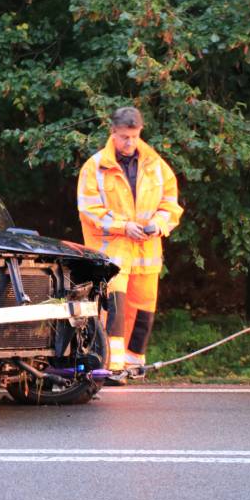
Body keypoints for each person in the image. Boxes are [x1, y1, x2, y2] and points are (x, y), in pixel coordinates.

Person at [77, 107, 183, 382]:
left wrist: (158, 224)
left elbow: (170, 204)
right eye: (124, 136)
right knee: (114, 311)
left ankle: (135, 365)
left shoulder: (155, 165)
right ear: (113, 132)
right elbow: (89, 210)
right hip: (114, 254)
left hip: (147, 250)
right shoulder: (96, 166)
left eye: (134, 137)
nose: (130, 143)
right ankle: (111, 367)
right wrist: (124, 226)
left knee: (144, 310)